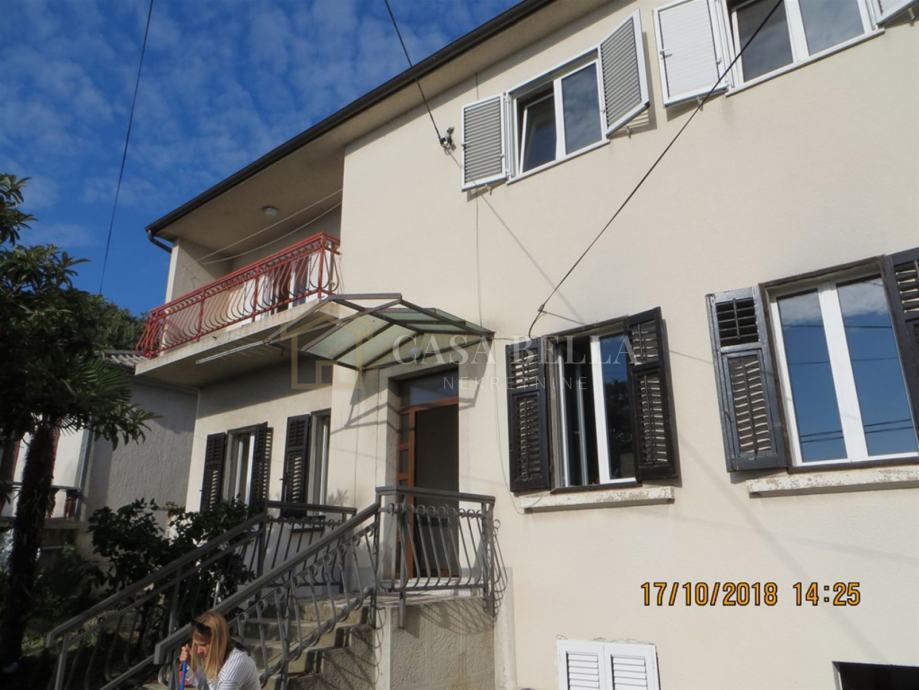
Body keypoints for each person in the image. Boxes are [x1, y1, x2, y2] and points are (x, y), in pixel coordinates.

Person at [178, 611, 260, 690]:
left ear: (218, 642)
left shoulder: (231, 668)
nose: (199, 651)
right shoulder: (221, 654)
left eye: (203, 645)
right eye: (196, 645)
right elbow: (206, 686)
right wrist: (191, 664)